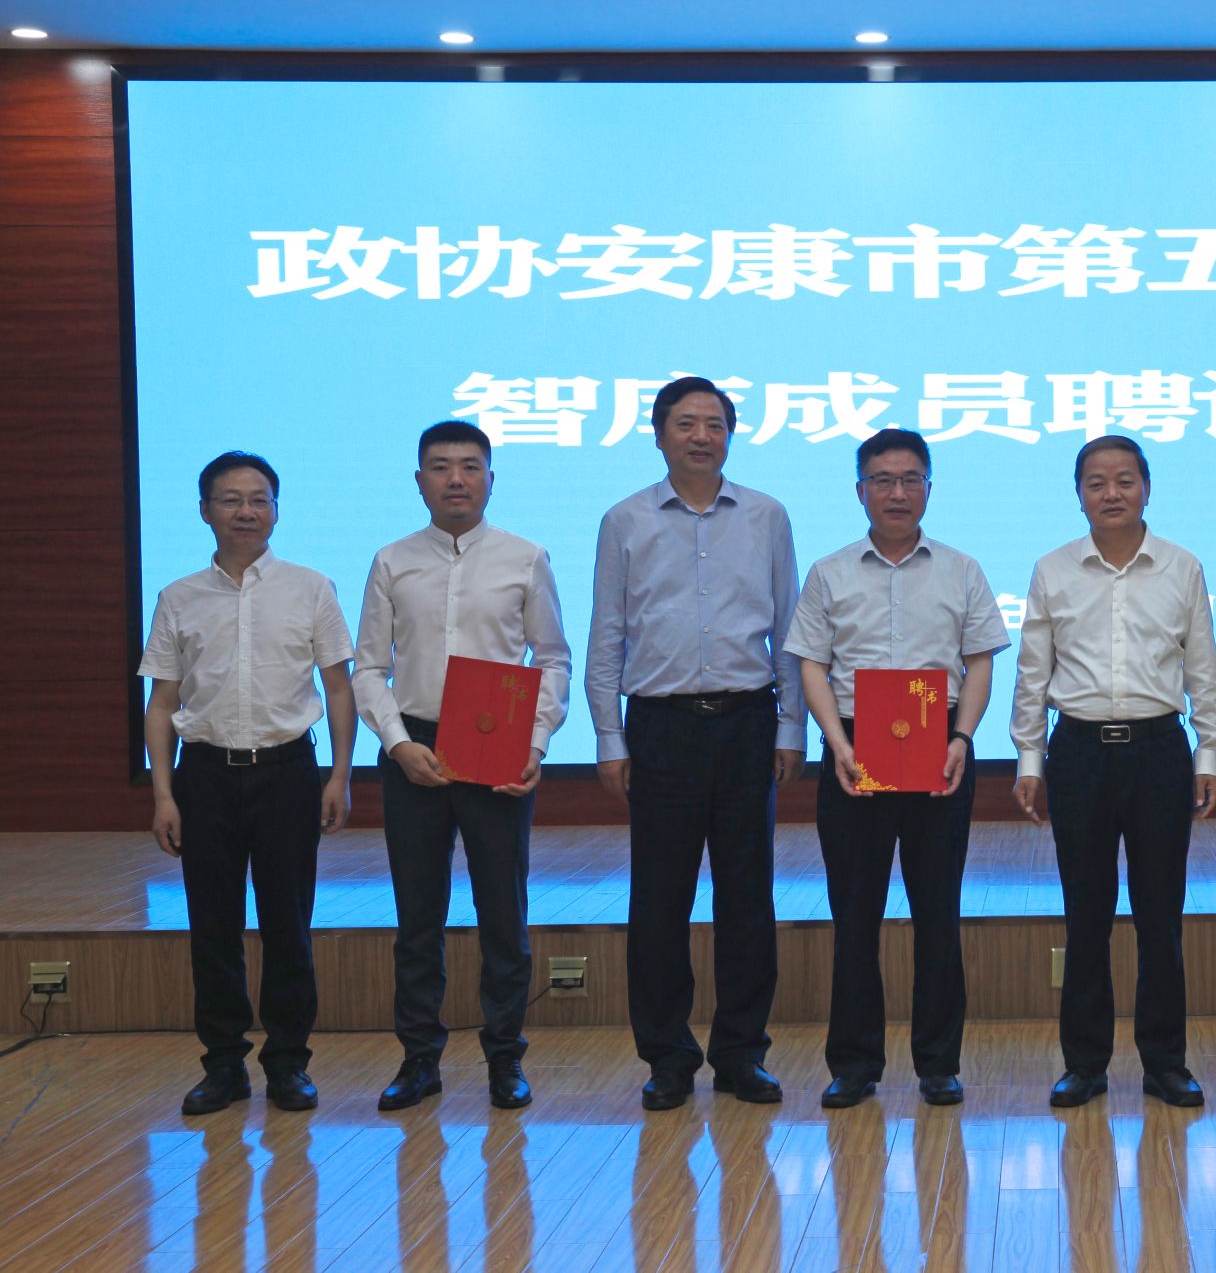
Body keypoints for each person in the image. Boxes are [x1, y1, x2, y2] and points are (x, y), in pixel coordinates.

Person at [586, 376, 805, 1111]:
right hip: (661, 726)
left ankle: (742, 1053)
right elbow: (607, 634)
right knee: (659, 901)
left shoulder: (767, 516)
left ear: (730, 435)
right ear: (659, 435)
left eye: (715, 423)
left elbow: (789, 628)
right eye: (686, 423)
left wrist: (791, 725)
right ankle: (668, 1057)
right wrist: (609, 737)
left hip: (747, 723)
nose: (701, 436)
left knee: (748, 899)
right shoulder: (624, 520)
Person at [785, 429, 1011, 1109]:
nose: (897, 492)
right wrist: (836, 743)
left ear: (929, 490)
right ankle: (854, 1064)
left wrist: (963, 737)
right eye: (882, 480)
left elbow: (979, 661)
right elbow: (812, 664)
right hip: (854, 750)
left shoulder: (961, 569)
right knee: (855, 915)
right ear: (860, 491)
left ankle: (938, 1062)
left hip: (940, 747)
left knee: (937, 912)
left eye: (911, 479)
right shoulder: (829, 572)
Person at [354, 421, 571, 1112]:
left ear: (490, 479)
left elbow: (553, 658)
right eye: (441, 466)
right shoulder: (392, 560)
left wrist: (535, 743)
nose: (456, 479)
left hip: (497, 742)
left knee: (503, 912)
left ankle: (505, 1058)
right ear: (419, 480)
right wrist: (397, 743)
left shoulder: (525, 557)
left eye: (470, 466)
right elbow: (369, 668)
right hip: (414, 744)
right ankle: (419, 1059)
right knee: (418, 915)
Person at [1012, 434, 1216, 1109]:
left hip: (1159, 750)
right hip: (1078, 752)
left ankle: (1166, 1063)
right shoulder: (1053, 569)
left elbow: (1203, 668)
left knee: (1161, 916)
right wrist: (1029, 757)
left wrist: (1208, 751)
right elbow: (1033, 672)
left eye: (1125, 480)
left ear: (1147, 488)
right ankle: (1084, 1064)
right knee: (1086, 915)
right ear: (1078, 494)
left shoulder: (1181, 566)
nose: (1112, 493)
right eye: (1097, 482)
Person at [139, 451, 356, 1115]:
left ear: (276, 511)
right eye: (231, 499)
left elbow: (338, 688)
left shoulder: (311, 588)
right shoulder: (178, 597)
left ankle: (288, 1063)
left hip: (288, 774)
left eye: (260, 499)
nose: (246, 511)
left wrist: (339, 775)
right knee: (213, 928)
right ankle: (224, 1065)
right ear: (205, 511)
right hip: (205, 777)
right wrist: (164, 794)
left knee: (288, 925)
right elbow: (161, 703)